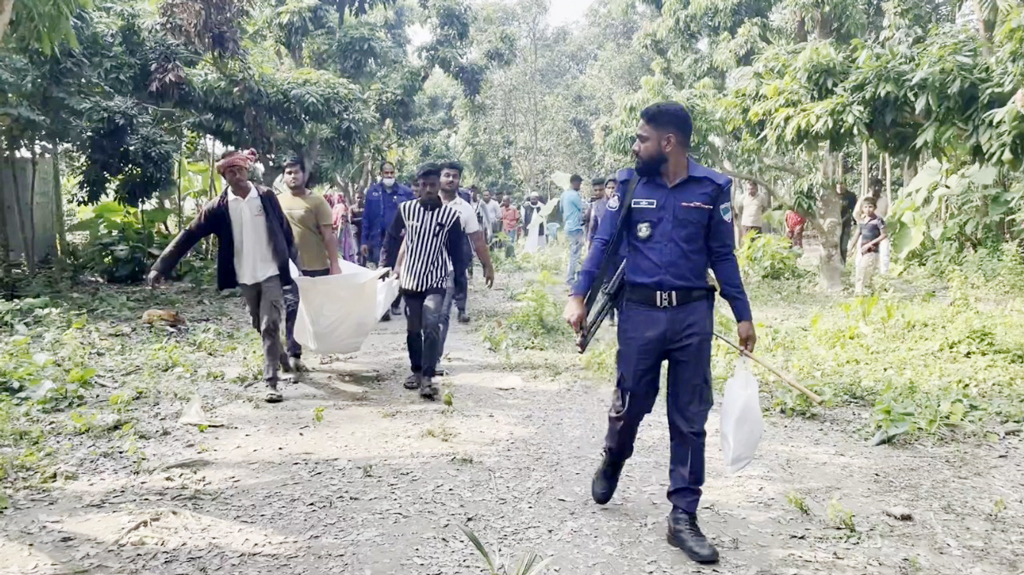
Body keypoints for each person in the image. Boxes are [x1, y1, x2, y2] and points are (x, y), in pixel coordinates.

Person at [562, 102, 755, 566]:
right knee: (630, 405)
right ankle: (614, 455)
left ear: (668, 143)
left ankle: (682, 515)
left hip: (692, 317)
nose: (635, 145)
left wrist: (742, 313)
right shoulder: (628, 185)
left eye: (642, 137)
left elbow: (722, 255)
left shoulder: (713, 188)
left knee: (690, 417)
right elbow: (603, 243)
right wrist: (578, 294)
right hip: (641, 314)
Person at [148, 149, 298, 403]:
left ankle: (271, 382)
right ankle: (281, 358)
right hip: (244, 275)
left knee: (269, 324)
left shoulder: (266, 197)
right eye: (230, 171)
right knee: (258, 324)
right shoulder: (218, 207)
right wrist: (160, 266)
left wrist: (295, 266)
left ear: (247, 170)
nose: (236, 174)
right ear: (223, 176)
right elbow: (189, 234)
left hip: (271, 271)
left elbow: (285, 232)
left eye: (239, 169)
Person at [381, 164, 468, 400]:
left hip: (436, 279)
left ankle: (429, 377)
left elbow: (457, 254)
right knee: (413, 328)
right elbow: (391, 239)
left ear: (438, 185)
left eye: (432, 185)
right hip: (411, 279)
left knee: (432, 322)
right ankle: (416, 371)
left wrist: (461, 286)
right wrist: (385, 267)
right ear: (418, 187)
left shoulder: (451, 216)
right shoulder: (406, 210)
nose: (429, 189)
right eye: (424, 185)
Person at [276, 157, 342, 372]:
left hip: (316, 265)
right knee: (293, 308)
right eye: (288, 172)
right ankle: (293, 355)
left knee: (317, 311)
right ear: (284, 176)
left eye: (296, 172)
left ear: (304, 175)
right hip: (290, 268)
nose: (293, 176)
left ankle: (323, 349)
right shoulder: (277, 201)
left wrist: (334, 263)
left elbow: (328, 235)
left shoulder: (317, 202)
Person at [440, 161, 495, 323]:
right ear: (440, 178)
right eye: (447, 175)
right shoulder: (428, 204)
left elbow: (477, 240)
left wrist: (488, 265)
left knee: (460, 278)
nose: (451, 179)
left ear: (459, 180)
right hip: (431, 259)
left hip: (457, 255)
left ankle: (461, 308)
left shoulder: (465, 208)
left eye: (455, 177)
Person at [361, 161, 414, 319]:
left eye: (391, 173)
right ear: (381, 174)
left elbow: (414, 215)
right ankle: (384, 307)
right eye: (386, 173)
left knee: (399, 272)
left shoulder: (405, 193)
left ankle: (395, 303)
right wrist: (364, 240)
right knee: (381, 271)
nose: (389, 176)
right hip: (378, 239)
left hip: (400, 239)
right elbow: (366, 218)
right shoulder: (372, 193)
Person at [852, 177, 891, 273]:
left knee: (884, 252)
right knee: (861, 252)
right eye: (875, 186)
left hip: (879, 230)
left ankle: (883, 273)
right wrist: (864, 223)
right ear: (870, 187)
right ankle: (859, 272)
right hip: (866, 230)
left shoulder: (884, 200)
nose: (877, 188)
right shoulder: (864, 199)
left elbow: (888, 214)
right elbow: (856, 213)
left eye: (879, 186)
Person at [855, 197, 886, 294]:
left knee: (863, 272)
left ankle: (860, 293)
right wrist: (850, 248)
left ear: (875, 208)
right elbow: (857, 234)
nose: (868, 209)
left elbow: (884, 234)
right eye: (865, 207)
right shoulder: (862, 221)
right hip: (862, 251)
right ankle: (870, 292)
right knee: (864, 271)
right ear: (862, 208)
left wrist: (870, 244)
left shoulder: (878, 220)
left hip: (872, 251)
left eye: (870, 207)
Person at [329, 193, 359, 263]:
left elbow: (341, 221)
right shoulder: (341, 206)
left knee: (342, 247)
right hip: (341, 229)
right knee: (345, 247)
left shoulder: (337, 207)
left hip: (340, 229)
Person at [586, 177, 610, 248]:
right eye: (595, 190)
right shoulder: (593, 205)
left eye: (600, 190)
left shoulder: (614, 204)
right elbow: (591, 227)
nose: (598, 192)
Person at [839, 185, 857, 264]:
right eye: (838, 184)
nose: (840, 186)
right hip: (834, 224)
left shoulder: (850, 196)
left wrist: (855, 221)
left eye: (842, 184)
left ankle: (842, 264)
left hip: (846, 223)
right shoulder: (832, 196)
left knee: (843, 246)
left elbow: (854, 209)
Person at [351, 191, 365, 264]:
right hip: (355, 232)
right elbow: (351, 220)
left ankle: (364, 268)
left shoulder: (366, 208)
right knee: (357, 251)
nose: (359, 199)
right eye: (358, 198)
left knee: (364, 250)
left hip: (364, 232)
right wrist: (362, 219)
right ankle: (358, 265)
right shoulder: (352, 208)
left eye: (361, 198)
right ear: (355, 198)